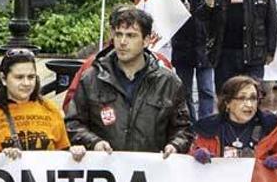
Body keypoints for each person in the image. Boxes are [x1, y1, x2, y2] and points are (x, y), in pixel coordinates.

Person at [66, 9, 193, 155]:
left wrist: (175, 146)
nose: (122, 42)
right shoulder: (92, 78)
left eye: (131, 36)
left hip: (151, 173)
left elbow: (184, 129)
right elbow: (73, 123)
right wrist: (94, 142)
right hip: (105, 170)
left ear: (146, 40)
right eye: (118, 35)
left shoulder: (169, 82)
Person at [0, 49, 80, 160]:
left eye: (31, 77)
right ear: (3, 78)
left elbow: (63, 155)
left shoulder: (50, 109)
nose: (26, 83)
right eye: (19, 77)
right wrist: (1, 160)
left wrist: (75, 154)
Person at [206, 0, 277, 87]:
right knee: (226, 96)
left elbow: (272, 21)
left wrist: (271, 50)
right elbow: (203, 20)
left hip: (253, 54)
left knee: (252, 94)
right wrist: (206, 7)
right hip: (224, 55)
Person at [190, 76, 277, 167]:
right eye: (242, 98)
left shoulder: (270, 126)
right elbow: (192, 153)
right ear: (227, 103)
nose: (249, 104)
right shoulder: (209, 127)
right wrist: (198, 154)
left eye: (253, 98)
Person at [171, 0, 214, 122]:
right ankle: (191, 123)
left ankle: (207, 123)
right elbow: (170, 16)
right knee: (185, 91)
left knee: (206, 90)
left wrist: (210, 7)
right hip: (183, 46)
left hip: (205, 46)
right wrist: (180, 10)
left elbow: (215, 16)